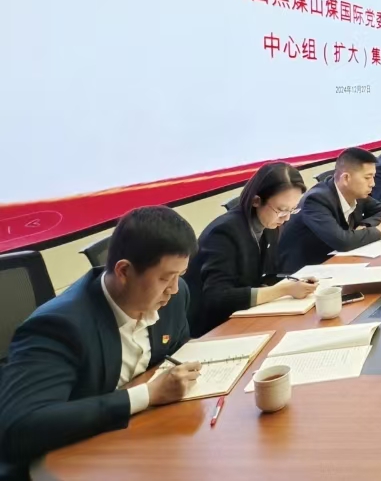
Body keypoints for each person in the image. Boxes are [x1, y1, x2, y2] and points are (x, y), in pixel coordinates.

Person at [0, 207, 202, 472]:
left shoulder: (173, 297)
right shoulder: (59, 326)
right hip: (68, 464)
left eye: (180, 275)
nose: (174, 288)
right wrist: (147, 394)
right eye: (165, 278)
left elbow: (177, 353)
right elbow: (19, 428)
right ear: (124, 271)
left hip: (142, 442)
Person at [185, 163, 318, 336]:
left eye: (292, 210)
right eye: (281, 210)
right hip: (212, 328)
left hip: (242, 315)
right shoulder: (224, 233)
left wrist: (294, 282)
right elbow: (217, 297)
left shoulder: (268, 226)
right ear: (256, 201)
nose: (286, 218)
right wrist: (284, 290)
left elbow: (260, 277)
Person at [277, 147, 381, 274]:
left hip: (335, 262)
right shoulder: (316, 200)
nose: (372, 183)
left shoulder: (356, 193)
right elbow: (342, 241)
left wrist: (365, 225)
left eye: (373, 177)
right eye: (367, 177)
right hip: (302, 273)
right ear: (346, 178)